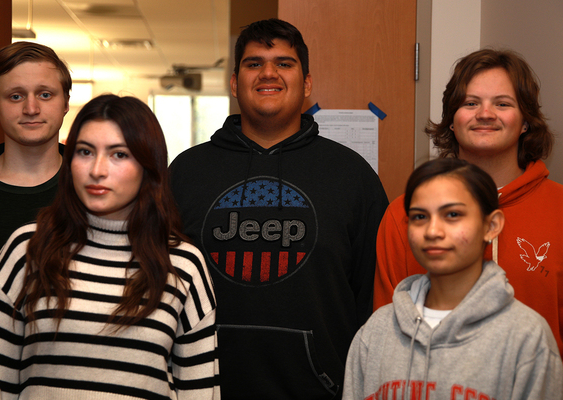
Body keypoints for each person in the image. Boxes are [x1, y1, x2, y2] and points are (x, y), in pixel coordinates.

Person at [169, 18, 388, 399]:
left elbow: (374, 301)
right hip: (204, 390)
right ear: (234, 83)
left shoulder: (352, 176)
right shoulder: (186, 173)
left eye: (284, 63)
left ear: (307, 84)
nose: (268, 73)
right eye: (254, 63)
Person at [0, 94, 219, 399]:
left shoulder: (182, 264)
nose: (97, 170)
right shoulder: (27, 249)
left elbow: (200, 390)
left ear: (148, 166)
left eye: (119, 154)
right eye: (85, 152)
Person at [374, 48, 563, 355]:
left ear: (525, 122)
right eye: (470, 103)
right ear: (452, 120)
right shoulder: (406, 214)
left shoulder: (559, 209)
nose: (485, 114)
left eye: (502, 103)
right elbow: (387, 335)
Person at [343, 158, 563, 399]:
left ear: (491, 225)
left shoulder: (527, 337)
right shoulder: (376, 332)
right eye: (419, 217)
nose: (432, 231)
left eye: (453, 214)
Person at [0, 41, 71, 396]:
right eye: (15, 96)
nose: (31, 108)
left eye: (45, 94)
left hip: (69, 382)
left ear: (65, 102)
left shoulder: (101, 192)